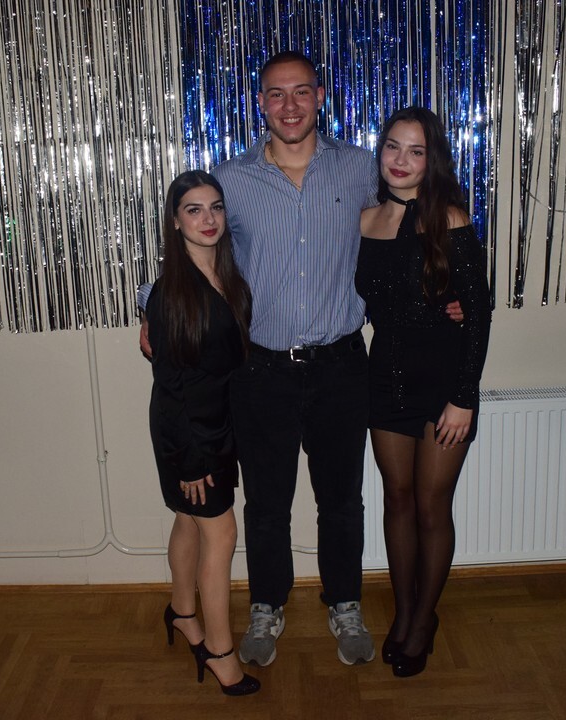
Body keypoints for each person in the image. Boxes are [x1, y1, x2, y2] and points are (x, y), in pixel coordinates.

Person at [140, 52, 463, 668]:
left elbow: (419, 222)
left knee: (342, 500)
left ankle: (345, 603)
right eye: (275, 94)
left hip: (342, 365)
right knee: (266, 504)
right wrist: (150, 308)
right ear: (259, 103)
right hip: (260, 369)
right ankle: (267, 606)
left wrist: (452, 296)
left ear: (320, 95)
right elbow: (191, 245)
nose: (289, 105)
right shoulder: (232, 180)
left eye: (300, 92)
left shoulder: (360, 168)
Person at [354, 106, 492, 677]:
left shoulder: (450, 218)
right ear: (380, 149)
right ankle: (406, 611)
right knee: (398, 500)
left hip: (443, 385)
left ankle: (422, 618)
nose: (401, 160)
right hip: (384, 378)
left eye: (416, 151)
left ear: (431, 160)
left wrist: (464, 397)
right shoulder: (364, 221)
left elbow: (478, 314)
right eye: (393, 146)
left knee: (433, 507)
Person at [147, 170, 259, 696]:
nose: (208, 218)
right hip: (189, 431)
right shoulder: (171, 293)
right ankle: (219, 651)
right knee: (221, 533)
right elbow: (172, 386)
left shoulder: (227, 275)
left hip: (220, 423)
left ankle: (182, 611)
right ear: (175, 221)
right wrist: (190, 459)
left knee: (189, 522)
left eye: (215, 207)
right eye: (193, 209)